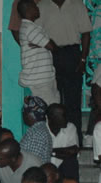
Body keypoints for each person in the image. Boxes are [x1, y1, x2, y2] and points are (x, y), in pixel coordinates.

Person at [36, 0, 92, 143]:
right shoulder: (42, 6)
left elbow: (86, 33)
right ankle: (52, 142)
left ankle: (75, 142)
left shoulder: (77, 4)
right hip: (50, 55)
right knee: (53, 102)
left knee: (73, 102)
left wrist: (83, 59)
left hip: (72, 55)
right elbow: (36, 33)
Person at [17, 0, 60, 105]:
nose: (38, 8)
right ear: (28, 10)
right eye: (35, 7)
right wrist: (46, 44)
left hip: (42, 79)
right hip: (40, 81)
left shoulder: (31, 27)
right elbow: (53, 47)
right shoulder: (30, 29)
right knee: (49, 112)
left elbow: (49, 46)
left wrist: (43, 44)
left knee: (51, 110)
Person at [20, 96, 52, 163]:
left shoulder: (37, 134)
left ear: (30, 115)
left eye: (24, 112)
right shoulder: (39, 130)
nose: (23, 115)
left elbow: (30, 163)